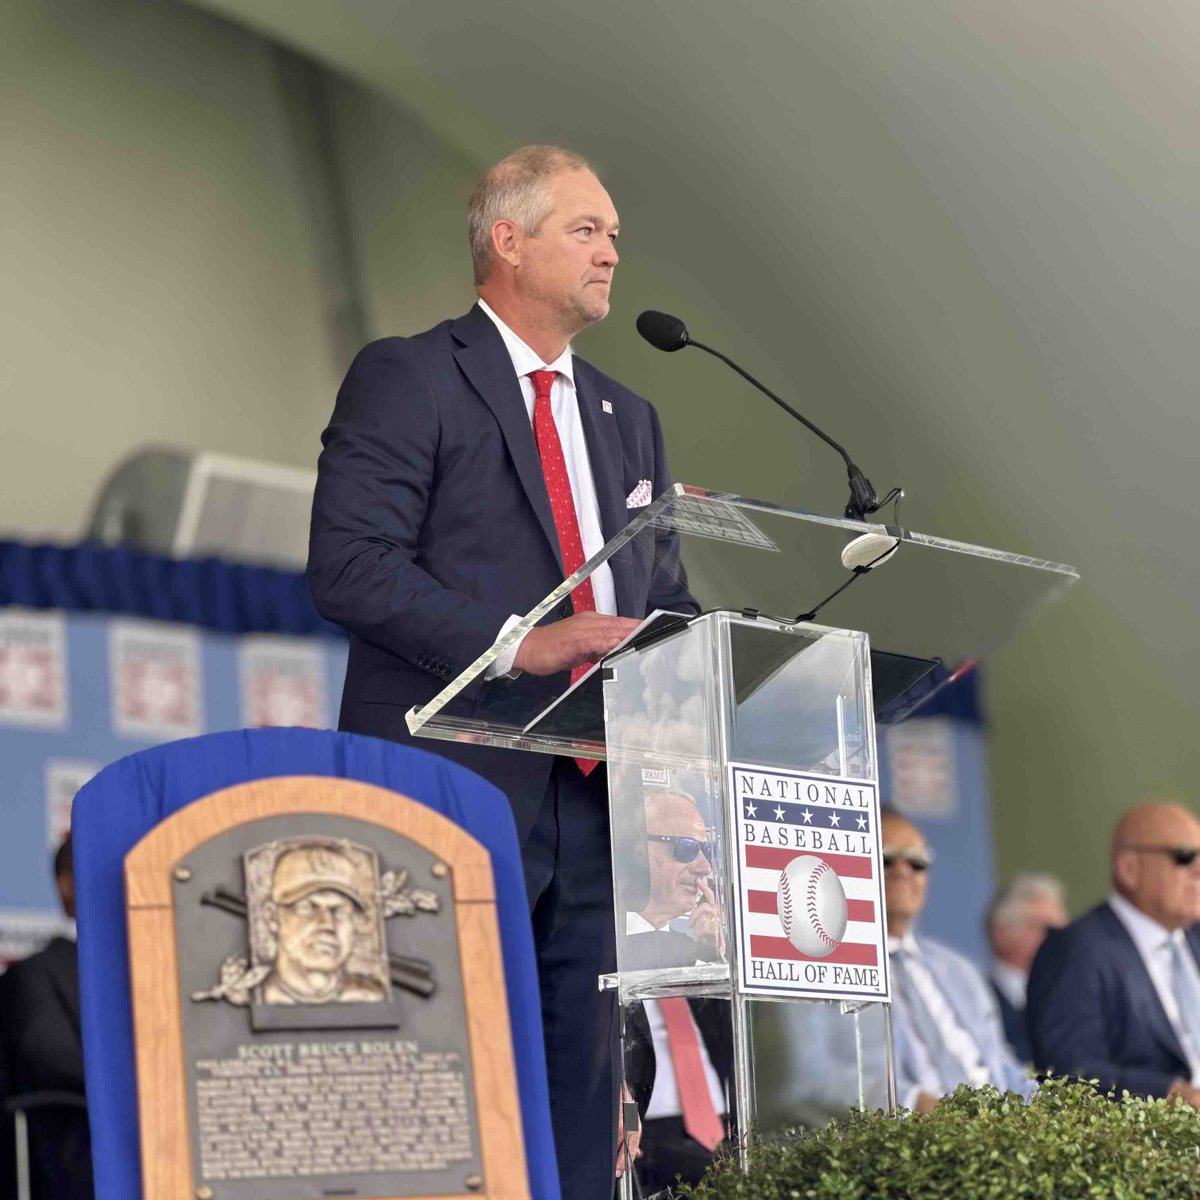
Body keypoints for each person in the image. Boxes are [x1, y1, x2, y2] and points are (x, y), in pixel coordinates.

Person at [307, 145, 695, 1200]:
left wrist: (714, 650)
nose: (614, 250)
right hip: (455, 787)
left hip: (599, 806)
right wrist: (521, 641)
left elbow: (665, 601)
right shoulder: (413, 374)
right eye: (587, 229)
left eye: (616, 232)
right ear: (507, 240)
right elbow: (349, 565)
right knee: (448, 1086)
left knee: (580, 1104)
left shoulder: (632, 416)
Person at [1026, 801, 1200, 1104]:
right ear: (1129, 868)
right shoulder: (1075, 950)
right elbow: (1069, 1073)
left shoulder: (1194, 937)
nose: (1198, 869)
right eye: (1184, 857)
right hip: (1155, 1141)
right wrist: (1169, 1095)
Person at [881, 810, 1033, 1111]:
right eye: (885, 858)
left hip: (1000, 1130)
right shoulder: (840, 971)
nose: (902, 870)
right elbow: (831, 1077)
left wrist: (1048, 1107)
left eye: (916, 862)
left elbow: (1002, 1065)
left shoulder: (959, 969)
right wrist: (917, 1104)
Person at [622, 789, 730, 1196]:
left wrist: (724, 955)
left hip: (727, 1131)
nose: (703, 866)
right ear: (635, 850)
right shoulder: (598, 947)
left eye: (706, 849)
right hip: (643, 1139)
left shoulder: (703, 952)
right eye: (687, 848)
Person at [0, 837, 92, 1199]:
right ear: (67, 884)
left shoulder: (165, 970)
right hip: (79, 1160)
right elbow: (51, 1061)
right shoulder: (35, 975)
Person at [260, 845, 386, 1005]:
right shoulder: (249, 996)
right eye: (307, 908)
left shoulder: (373, 997)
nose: (328, 925)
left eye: (340, 911)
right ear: (272, 918)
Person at [985, 873, 1067, 1061]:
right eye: (1047, 929)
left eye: (1062, 930)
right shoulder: (977, 999)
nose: (1057, 940)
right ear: (1001, 932)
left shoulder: (1075, 996)